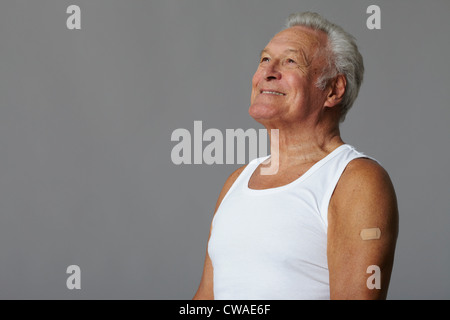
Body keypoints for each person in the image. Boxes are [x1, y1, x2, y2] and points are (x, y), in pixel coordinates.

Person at [193, 12, 398, 300]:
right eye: (264, 59)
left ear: (333, 89)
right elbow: (206, 297)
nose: (268, 72)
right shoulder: (237, 182)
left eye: (290, 61)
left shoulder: (356, 182)